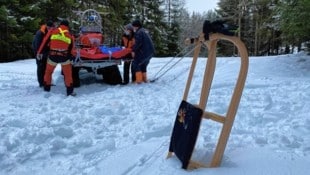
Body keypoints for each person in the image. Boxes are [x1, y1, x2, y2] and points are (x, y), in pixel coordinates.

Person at [36, 20, 76, 96]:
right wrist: (71, 57)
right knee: (68, 75)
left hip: (52, 56)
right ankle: (70, 92)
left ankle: (46, 89)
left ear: (60, 25)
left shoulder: (52, 31)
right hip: (64, 57)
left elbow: (44, 42)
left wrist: (39, 52)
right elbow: (72, 49)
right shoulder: (70, 35)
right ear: (67, 26)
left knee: (48, 72)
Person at [131, 19, 155, 83]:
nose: (133, 28)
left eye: (133, 26)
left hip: (144, 52)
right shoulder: (144, 31)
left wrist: (133, 50)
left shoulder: (139, 32)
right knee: (143, 64)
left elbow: (138, 43)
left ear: (136, 26)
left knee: (136, 63)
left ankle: (139, 80)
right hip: (150, 52)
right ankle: (144, 79)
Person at [32, 20, 54, 87]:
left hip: (46, 52)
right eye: (49, 27)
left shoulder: (50, 32)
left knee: (46, 67)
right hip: (39, 52)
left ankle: (47, 81)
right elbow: (37, 44)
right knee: (41, 67)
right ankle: (41, 83)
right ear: (47, 26)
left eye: (51, 28)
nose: (50, 29)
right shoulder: (40, 33)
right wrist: (39, 53)